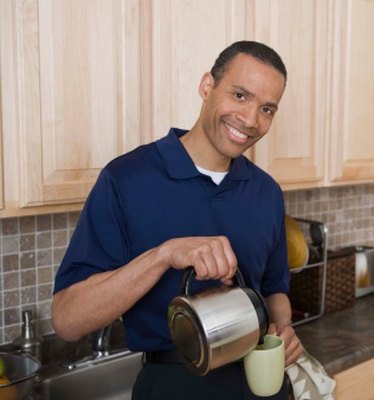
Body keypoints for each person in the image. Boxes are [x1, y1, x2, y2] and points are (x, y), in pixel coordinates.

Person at [52, 40, 302, 400]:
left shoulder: (266, 192)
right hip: (173, 386)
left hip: (263, 384)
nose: (250, 120)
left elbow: (274, 290)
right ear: (206, 86)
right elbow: (67, 320)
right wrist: (163, 255)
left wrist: (284, 330)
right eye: (239, 95)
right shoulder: (126, 179)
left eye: (267, 108)